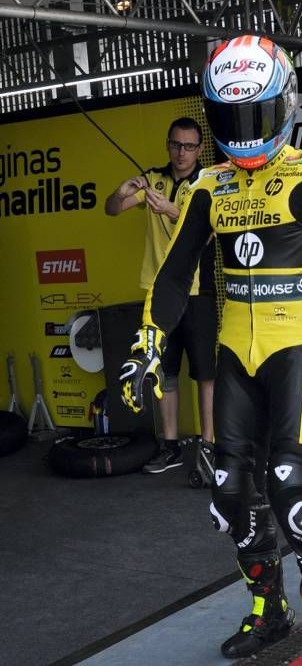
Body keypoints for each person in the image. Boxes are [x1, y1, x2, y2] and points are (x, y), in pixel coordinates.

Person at [119, 35, 302, 666]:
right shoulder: (208, 187)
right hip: (234, 354)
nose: (243, 135)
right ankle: (268, 607)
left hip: (298, 347)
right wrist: (148, 344)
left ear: (284, 105)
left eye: (255, 117)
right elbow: (173, 272)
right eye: (230, 121)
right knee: (229, 490)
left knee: (292, 484)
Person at [105, 117, 216, 475]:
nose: (181, 153)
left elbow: (215, 230)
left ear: (199, 149)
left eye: (188, 146)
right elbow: (112, 209)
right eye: (175, 145)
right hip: (159, 294)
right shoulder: (152, 178)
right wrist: (121, 193)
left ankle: (210, 445)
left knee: (205, 374)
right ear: (167, 145)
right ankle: (170, 446)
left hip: (198, 292)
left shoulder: (209, 182)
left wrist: (171, 211)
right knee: (164, 372)